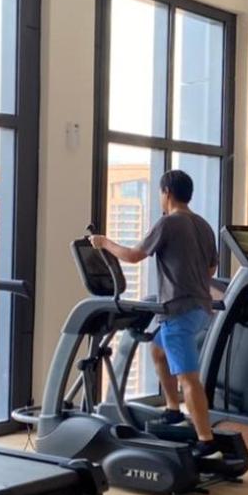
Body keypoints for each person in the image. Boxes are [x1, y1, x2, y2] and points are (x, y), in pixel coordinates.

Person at [90, 170, 218, 454]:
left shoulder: (169, 223)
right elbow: (211, 269)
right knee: (158, 351)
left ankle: (206, 439)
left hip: (178, 310)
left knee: (188, 378)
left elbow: (134, 256)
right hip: (200, 309)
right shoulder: (203, 225)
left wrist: (104, 243)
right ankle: (172, 409)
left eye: (160, 193)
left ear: (167, 193)